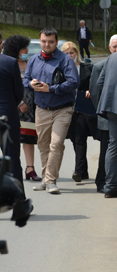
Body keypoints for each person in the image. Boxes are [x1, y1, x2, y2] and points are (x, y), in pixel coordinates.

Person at [23, 27, 79, 194]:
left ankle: (50, 180)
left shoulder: (65, 60)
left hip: (63, 109)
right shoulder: (33, 60)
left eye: (50, 42)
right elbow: (25, 80)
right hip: (41, 109)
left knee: (56, 143)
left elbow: (73, 82)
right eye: (44, 41)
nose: (47, 44)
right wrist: (31, 84)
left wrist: (52, 89)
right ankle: (45, 178)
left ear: (56, 42)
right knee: (43, 145)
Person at [3, 35, 41, 182]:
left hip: (30, 105)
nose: (26, 50)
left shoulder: (30, 63)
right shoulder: (9, 63)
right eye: (23, 48)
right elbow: (11, 89)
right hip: (15, 106)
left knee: (29, 138)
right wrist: (19, 103)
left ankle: (30, 168)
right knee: (13, 144)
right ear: (16, 49)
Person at [62, 41, 97, 182]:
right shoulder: (60, 69)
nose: (70, 55)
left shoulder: (87, 68)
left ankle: (78, 170)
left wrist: (90, 90)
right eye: (66, 53)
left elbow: (95, 83)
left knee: (79, 137)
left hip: (83, 107)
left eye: (72, 52)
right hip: (67, 107)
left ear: (77, 53)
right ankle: (83, 171)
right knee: (74, 138)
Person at [97, 40, 117, 198]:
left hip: (112, 107)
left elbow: (100, 82)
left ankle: (110, 186)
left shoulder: (112, 57)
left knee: (114, 146)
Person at [0, 39, 25, 184]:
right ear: (1, 43)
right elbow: (19, 93)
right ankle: (17, 196)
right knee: (13, 160)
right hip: (7, 116)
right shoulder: (9, 62)